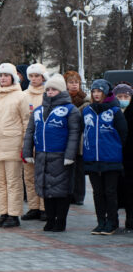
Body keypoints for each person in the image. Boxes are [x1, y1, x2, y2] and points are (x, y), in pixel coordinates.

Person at [23, 74, 81, 232]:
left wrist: (70, 155)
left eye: (54, 89)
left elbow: (74, 134)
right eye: (47, 89)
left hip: (61, 155)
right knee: (46, 189)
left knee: (61, 191)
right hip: (42, 154)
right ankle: (49, 219)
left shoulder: (71, 110)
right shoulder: (38, 111)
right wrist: (27, 151)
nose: (49, 92)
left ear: (61, 91)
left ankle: (60, 220)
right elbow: (30, 132)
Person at [0, 62, 29, 228]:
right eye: (1, 76)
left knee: (13, 182)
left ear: (13, 78)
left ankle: (13, 214)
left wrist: (25, 146)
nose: (3, 78)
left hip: (12, 145)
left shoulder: (21, 96)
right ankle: (2, 212)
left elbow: (26, 122)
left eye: (6, 76)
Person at [83, 79, 128, 235]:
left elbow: (123, 134)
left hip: (110, 158)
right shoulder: (87, 110)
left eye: (99, 91)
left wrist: (114, 148)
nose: (96, 94)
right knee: (97, 192)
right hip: (92, 157)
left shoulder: (114, 111)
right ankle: (101, 222)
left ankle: (112, 222)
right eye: (94, 91)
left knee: (110, 192)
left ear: (106, 92)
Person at [21, 63, 49, 221]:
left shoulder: (48, 93)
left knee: (43, 175)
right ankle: (33, 206)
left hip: (43, 140)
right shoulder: (23, 95)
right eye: (31, 76)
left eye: (37, 76)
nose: (34, 79)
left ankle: (44, 206)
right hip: (26, 139)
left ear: (43, 77)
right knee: (29, 176)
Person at [64, 70, 89, 205]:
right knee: (67, 169)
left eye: (76, 82)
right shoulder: (62, 99)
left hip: (79, 139)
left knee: (79, 169)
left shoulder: (85, 100)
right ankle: (67, 194)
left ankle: (78, 196)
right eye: (71, 82)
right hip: (65, 138)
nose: (74, 85)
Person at [114, 83, 133, 232]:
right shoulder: (113, 112)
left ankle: (130, 219)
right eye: (119, 96)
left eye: (126, 96)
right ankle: (113, 220)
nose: (123, 99)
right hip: (113, 156)